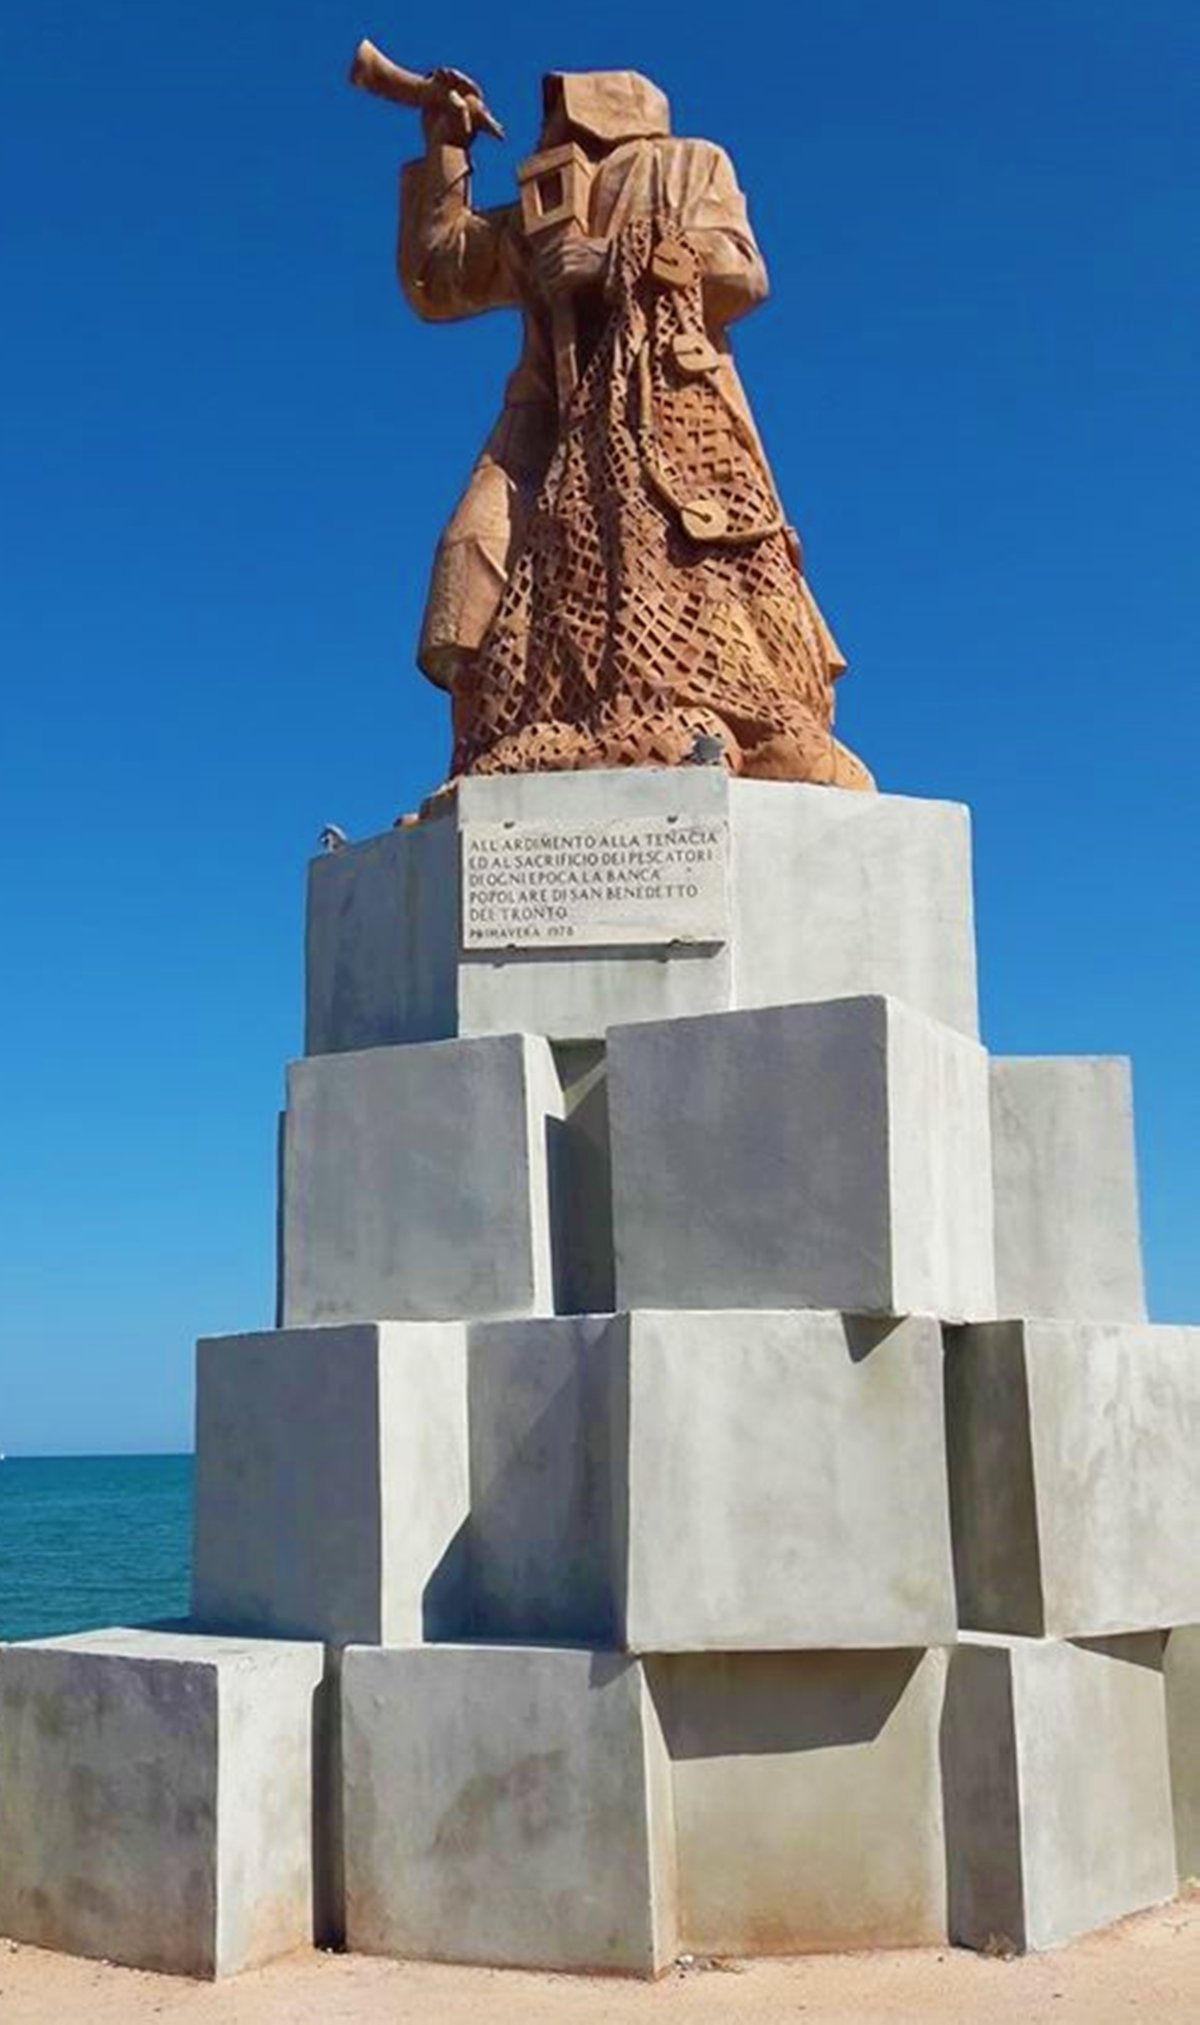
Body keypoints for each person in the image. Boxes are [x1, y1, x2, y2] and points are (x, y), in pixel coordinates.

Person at [399, 70, 873, 786]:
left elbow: (741, 273)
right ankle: (473, 764)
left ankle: (716, 716)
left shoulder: (687, 163)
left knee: (684, 557)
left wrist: (610, 260)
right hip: (549, 413)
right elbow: (440, 279)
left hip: (666, 401)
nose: (550, 124)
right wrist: (447, 147)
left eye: (563, 109)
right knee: (473, 547)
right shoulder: (542, 195)